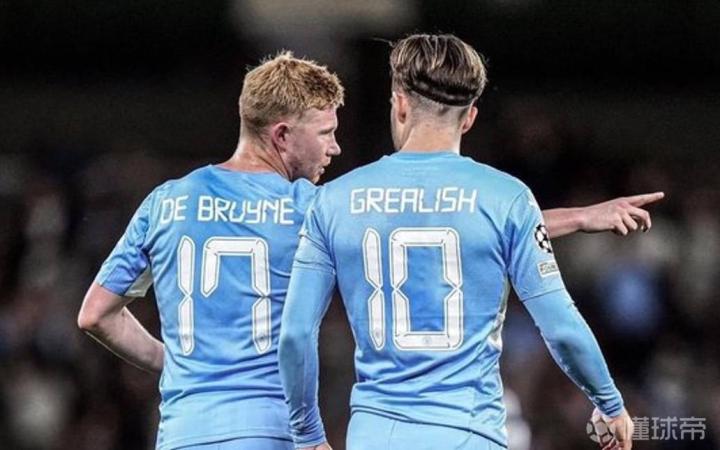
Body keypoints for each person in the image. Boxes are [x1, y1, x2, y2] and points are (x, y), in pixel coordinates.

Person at [278, 34, 638, 450]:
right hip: (469, 434)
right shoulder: (506, 198)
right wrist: (609, 403)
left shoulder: (334, 200)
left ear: (400, 104)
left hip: (376, 436)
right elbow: (560, 326)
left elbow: (296, 334)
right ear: (469, 118)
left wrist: (308, 435)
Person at [77, 52, 344, 450]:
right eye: (325, 133)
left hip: (183, 432)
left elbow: (95, 315)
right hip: (267, 431)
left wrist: (177, 366)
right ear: (283, 135)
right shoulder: (310, 208)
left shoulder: (166, 202)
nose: (335, 147)